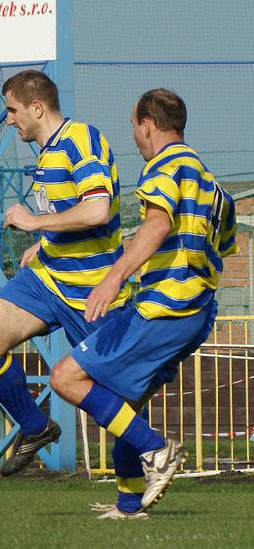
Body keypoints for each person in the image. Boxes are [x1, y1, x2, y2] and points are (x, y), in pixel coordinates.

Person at [50, 89, 237, 519]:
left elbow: (157, 223)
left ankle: (158, 451)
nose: (134, 136)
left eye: (134, 126)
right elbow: (225, 247)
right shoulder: (209, 181)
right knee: (119, 404)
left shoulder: (163, 167)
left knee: (65, 378)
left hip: (163, 306)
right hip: (197, 312)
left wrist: (114, 276)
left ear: (148, 125)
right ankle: (130, 502)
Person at [0, 70, 131, 476]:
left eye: (12, 110)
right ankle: (36, 428)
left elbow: (97, 210)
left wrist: (35, 224)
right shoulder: (48, 152)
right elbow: (70, 213)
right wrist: (46, 244)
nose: (8, 119)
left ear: (36, 108)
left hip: (93, 292)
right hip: (47, 279)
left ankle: (142, 475)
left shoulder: (81, 140)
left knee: (120, 399)